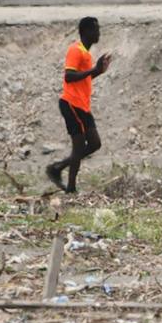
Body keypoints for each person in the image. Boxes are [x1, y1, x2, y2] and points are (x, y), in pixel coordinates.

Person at [46, 17, 111, 194]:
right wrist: (93, 69)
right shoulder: (75, 50)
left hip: (82, 105)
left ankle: (58, 168)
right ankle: (71, 189)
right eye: (96, 30)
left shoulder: (86, 54)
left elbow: (83, 79)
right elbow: (69, 76)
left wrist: (98, 71)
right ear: (86, 31)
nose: (98, 33)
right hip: (71, 103)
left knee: (95, 143)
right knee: (79, 146)